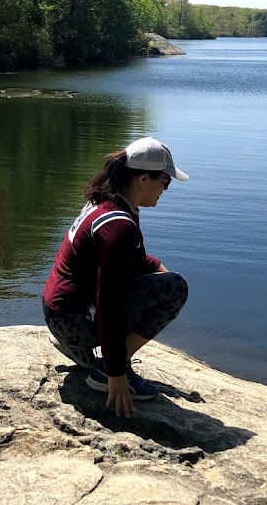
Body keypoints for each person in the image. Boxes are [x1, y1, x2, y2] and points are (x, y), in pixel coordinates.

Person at [43, 136, 189, 418]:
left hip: (61, 314)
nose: (165, 189)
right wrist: (115, 372)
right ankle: (102, 367)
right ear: (143, 180)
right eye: (165, 182)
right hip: (75, 320)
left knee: (166, 281)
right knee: (176, 289)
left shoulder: (111, 203)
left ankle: (81, 350)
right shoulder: (118, 227)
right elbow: (108, 303)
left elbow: (133, 261)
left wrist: (160, 270)